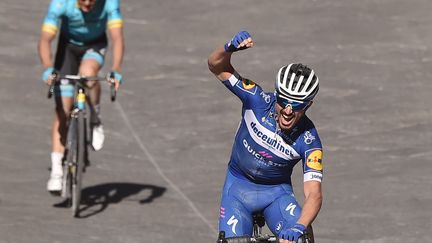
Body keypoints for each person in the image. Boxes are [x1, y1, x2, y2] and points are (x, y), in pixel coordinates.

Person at [208, 31, 323, 243]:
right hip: (238, 189)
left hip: (276, 195)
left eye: (296, 105)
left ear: (308, 105)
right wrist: (229, 48)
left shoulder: (309, 140)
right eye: (284, 101)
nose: (288, 111)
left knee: (302, 239)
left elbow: (313, 194)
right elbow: (216, 66)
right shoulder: (257, 100)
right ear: (276, 95)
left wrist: (299, 227)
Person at [38, 0, 124, 193]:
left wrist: (116, 69)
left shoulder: (109, 3)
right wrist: (47, 68)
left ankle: (95, 117)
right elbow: (45, 38)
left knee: (88, 74)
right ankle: (57, 170)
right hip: (68, 47)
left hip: (95, 45)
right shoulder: (61, 3)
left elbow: (117, 38)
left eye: (92, 0)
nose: (87, 3)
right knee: (63, 109)